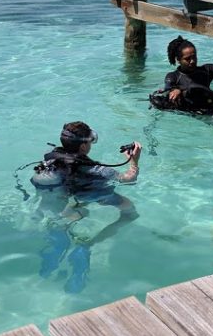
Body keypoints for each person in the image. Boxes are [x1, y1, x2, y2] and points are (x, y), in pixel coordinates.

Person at [30, 121, 142, 293]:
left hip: (67, 196)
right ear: (83, 146)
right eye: (90, 141)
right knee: (130, 211)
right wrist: (134, 161)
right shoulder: (101, 170)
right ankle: (88, 245)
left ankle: (58, 247)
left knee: (78, 212)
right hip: (92, 194)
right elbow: (129, 179)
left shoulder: (51, 157)